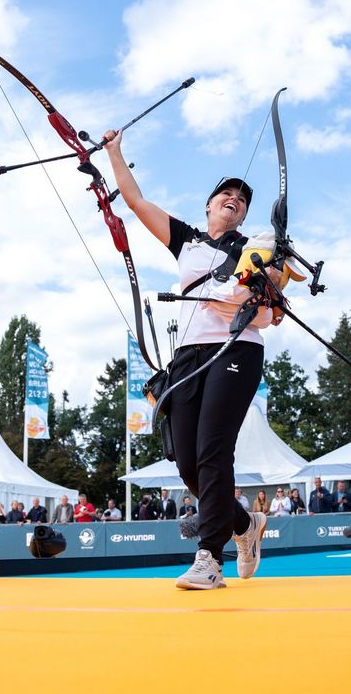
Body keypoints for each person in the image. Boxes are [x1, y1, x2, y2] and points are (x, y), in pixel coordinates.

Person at [105, 133, 274, 590]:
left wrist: (248, 297)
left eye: (241, 200)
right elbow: (136, 201)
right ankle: (244, 525)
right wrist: (114, 153)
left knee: (213, 450)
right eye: (226, 194)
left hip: (236, 351)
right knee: (185, 462)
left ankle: (209, 559)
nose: (234, 201)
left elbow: (270, 315)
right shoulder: (188, 242)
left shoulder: (255, 248)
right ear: (208, 205)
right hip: (187, 357)